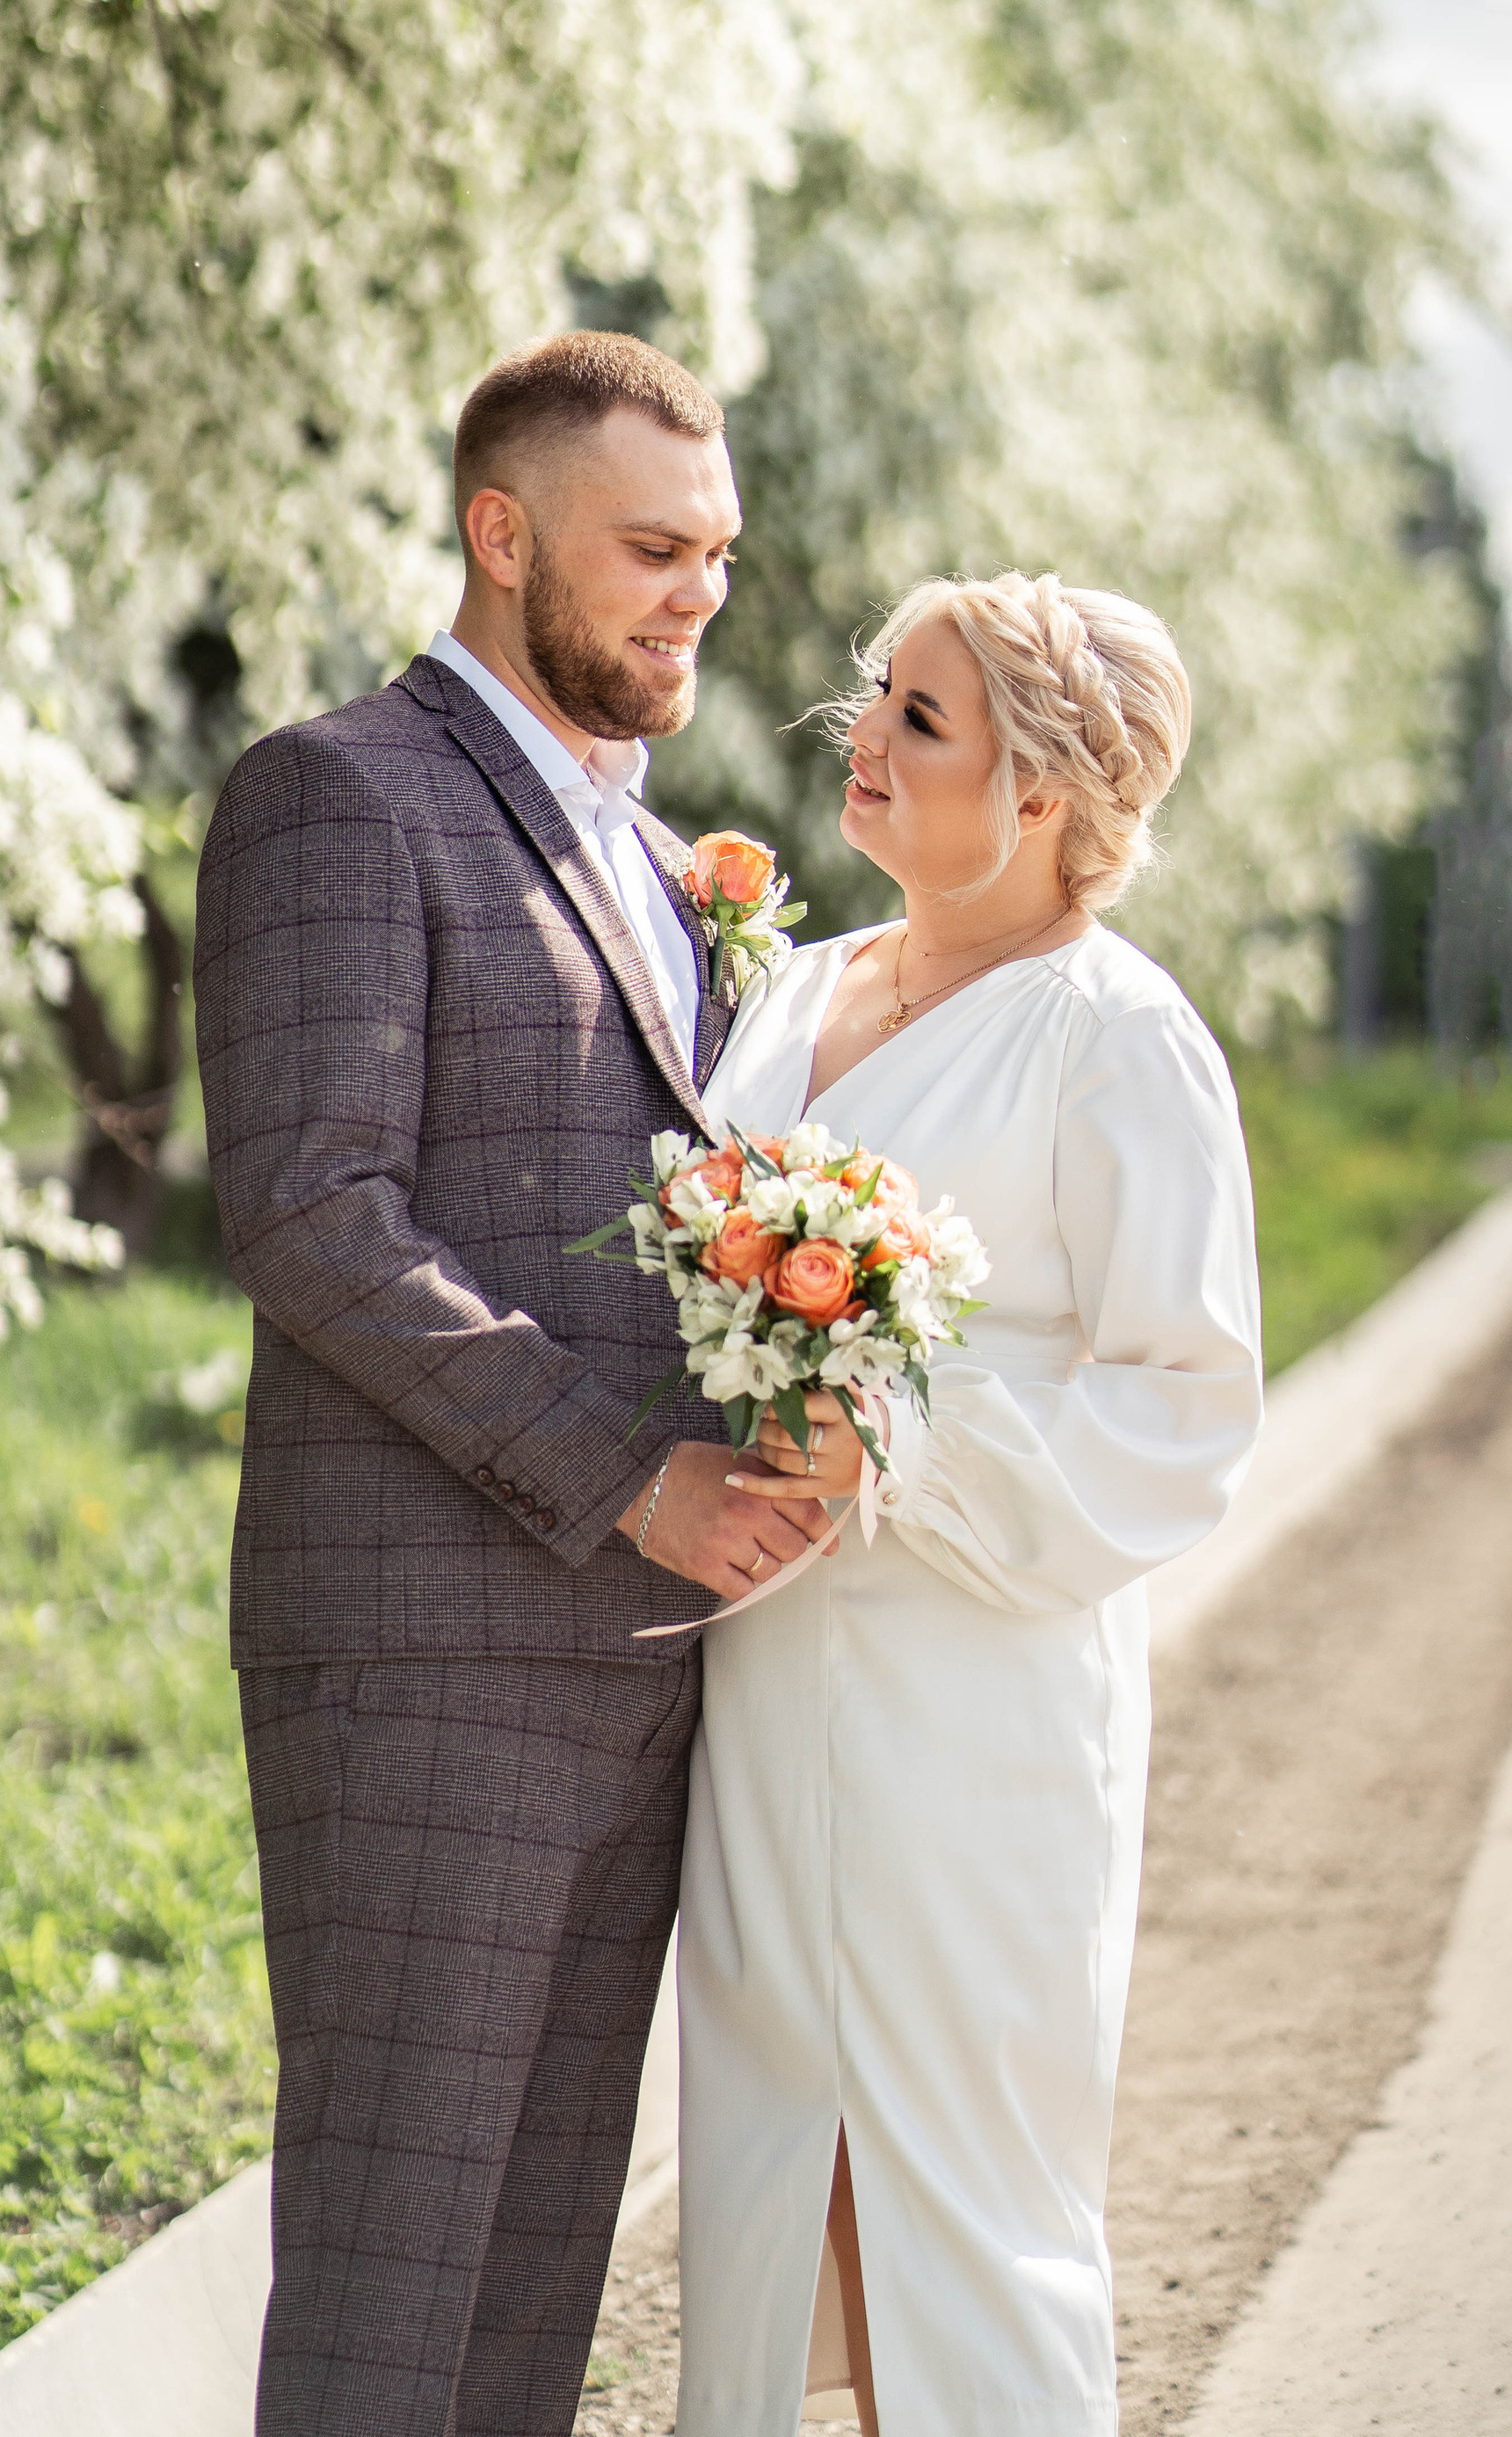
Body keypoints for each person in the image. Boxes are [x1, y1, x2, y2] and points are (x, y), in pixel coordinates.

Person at [193, 330, 827, 2437]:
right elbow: (315, 1215)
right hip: (426, 1671)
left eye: (715, 555)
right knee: (389, 2300)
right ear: (499, 533)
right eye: (651, 551)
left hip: (646, 1673)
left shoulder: (666, 864)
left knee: (530, 2303)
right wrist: (633, 1476)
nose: (694, 596)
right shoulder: (335, 797)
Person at [674, 570, 1263, 2437]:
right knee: (782, 2151)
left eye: (917, 718)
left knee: (968, 2185)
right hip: (765, 1673)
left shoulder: (1118, 1036)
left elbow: (1186, 1407)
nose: (859, 733)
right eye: (878, 691)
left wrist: (902, 1446)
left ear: (1043, 794)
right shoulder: (798, 988)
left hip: (976, 1699)